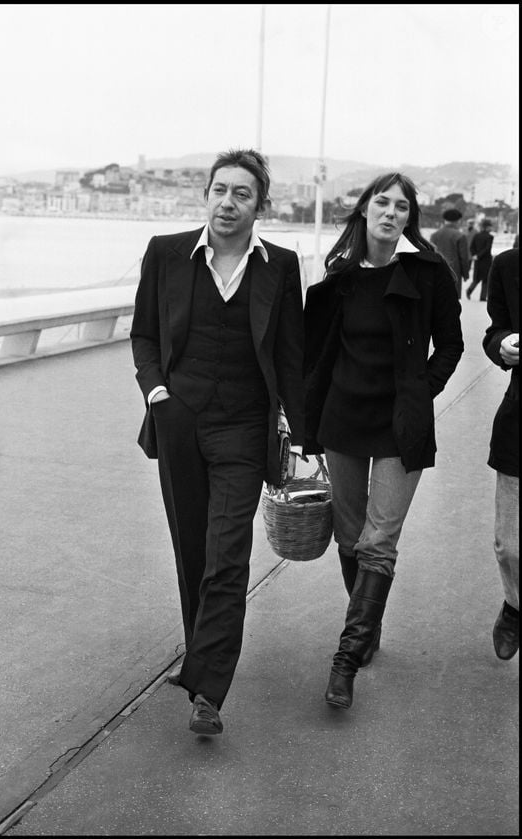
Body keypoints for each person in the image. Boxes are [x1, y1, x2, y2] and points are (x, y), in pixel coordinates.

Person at [130, 149, 304, 735]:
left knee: (228, 554)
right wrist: (156, 392)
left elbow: (288, 352)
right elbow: (144, 335)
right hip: (179, 420)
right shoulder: (166, 253)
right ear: (206, 195)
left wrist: (303, 433)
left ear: (261, 205)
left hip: (244, 426)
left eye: (242, 194)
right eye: (219, 190)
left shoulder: (280, 265)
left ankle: (207, 689)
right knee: (193, 551)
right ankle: (199, 655)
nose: (228, 203)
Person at [303, 172, 464, 710]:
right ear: (364, 211)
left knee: (379, 541)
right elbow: (316, 355)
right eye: (382, 202)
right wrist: (301, 421)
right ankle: (367, 628)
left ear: (409, 219)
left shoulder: (427, 273)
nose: (390, 213)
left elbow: (452, 345)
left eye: (401, 206)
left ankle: (345, 659)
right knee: (349, 537)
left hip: (400, 427)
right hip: (343, 422)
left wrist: (422, 393)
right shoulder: (338, 279)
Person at [483, 247, 519, 659]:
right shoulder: (508, 265)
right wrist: (503, 344)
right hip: (518, 423)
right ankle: (515, 604)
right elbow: (495, 332)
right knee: (510, 545)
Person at [430, 208, 470, 298]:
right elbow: (464, 257)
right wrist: (465, 274)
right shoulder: (460, 236)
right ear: (458, 221)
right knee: (452, 299)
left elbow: (430, 254)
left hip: (436, 271)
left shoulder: (434, 235)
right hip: (454, 271)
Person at [466, 218, 494, 301]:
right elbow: (487, 248)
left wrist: (475, 255)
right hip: (486, 260)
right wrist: (479, 255)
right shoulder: (490, 237)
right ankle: (482, 297)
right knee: (486, 279)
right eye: (490, 227)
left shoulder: (476, 235)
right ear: (487, 227)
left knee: (476, 278)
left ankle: (469, 291)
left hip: (477, 260)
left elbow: (472, 247)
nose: (491, 228)